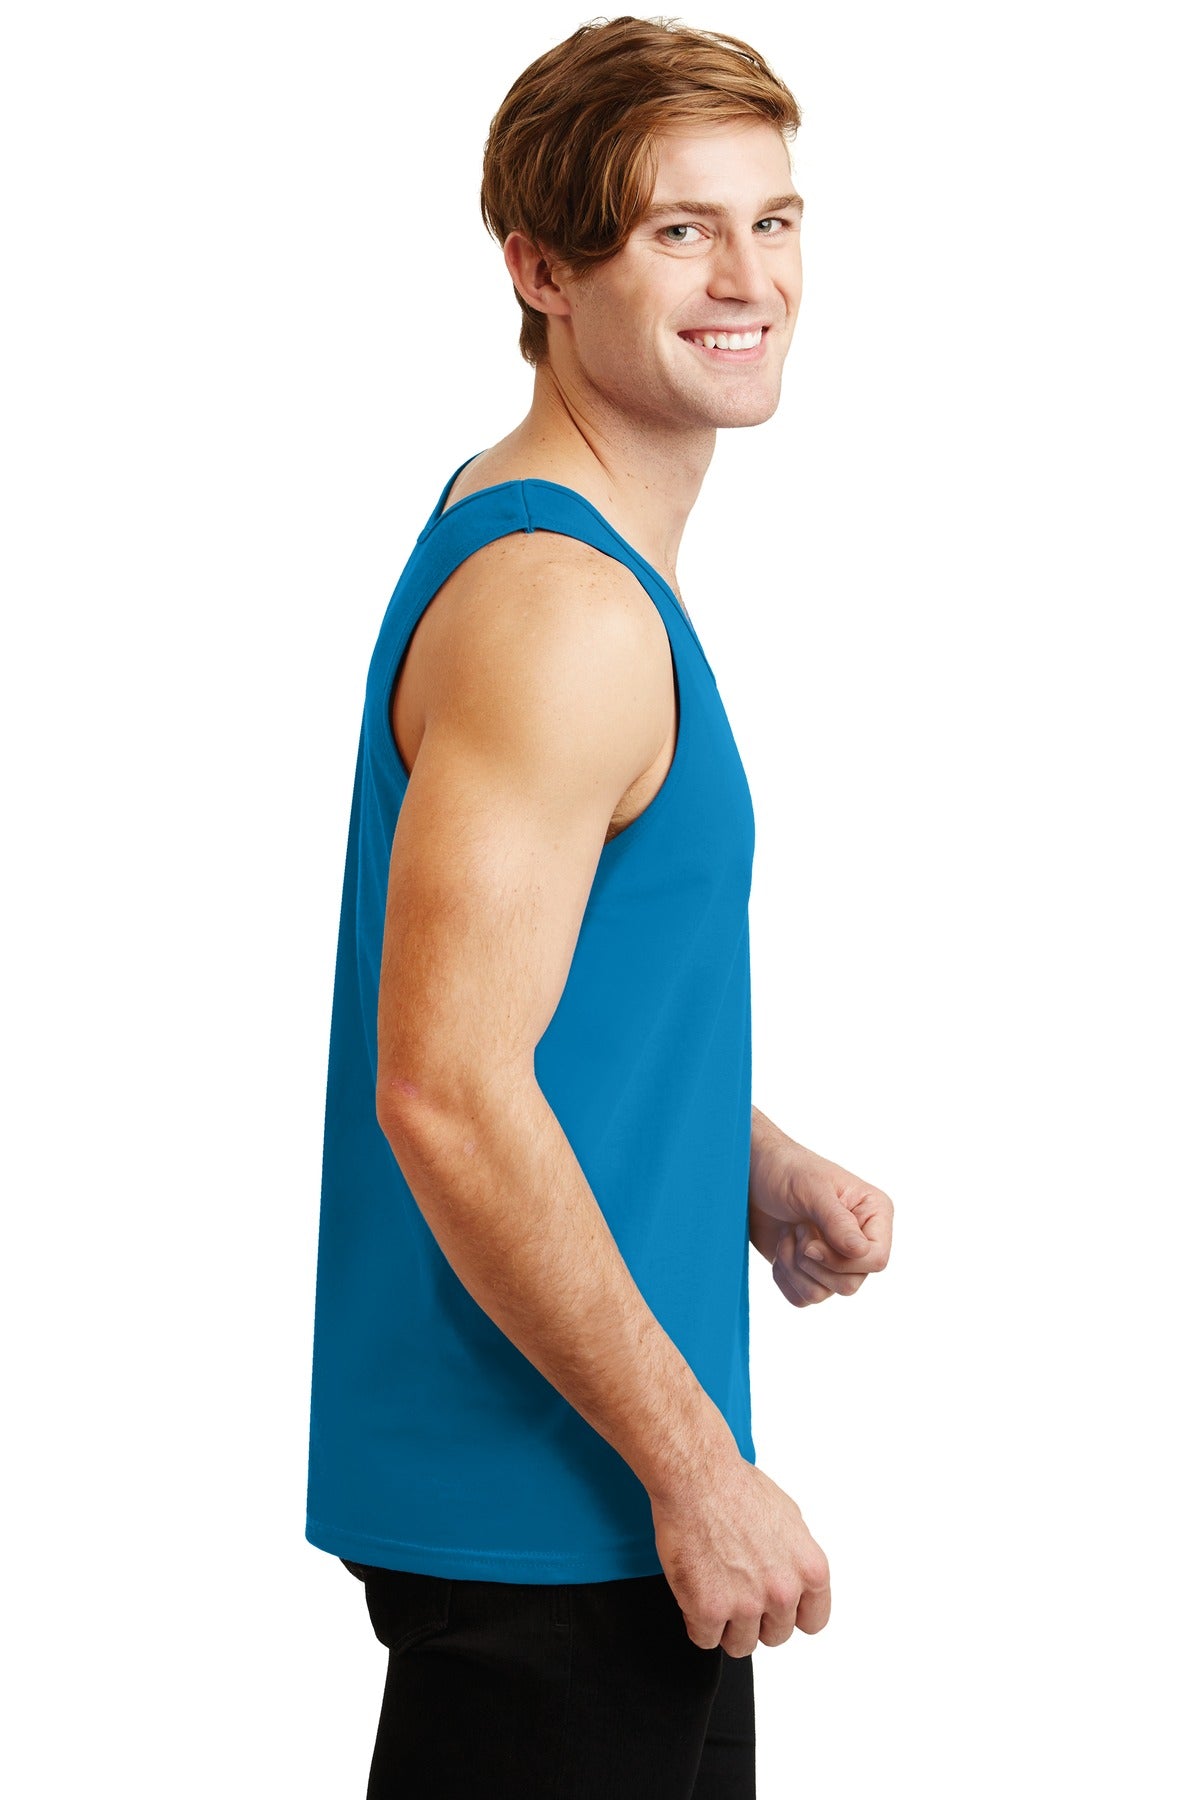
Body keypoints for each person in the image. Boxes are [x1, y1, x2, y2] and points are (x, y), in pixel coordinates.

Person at [305, 15, 894, 1797]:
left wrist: (740, 1153)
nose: (748, 280)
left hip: (591, 1509)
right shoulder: (564, 610)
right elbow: (444, 1088)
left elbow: (519, 998)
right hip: (558, 1510)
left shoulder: (550, 537)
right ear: (542, 269)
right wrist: (697, 1468)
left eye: (773, 221)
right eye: (677, 231)